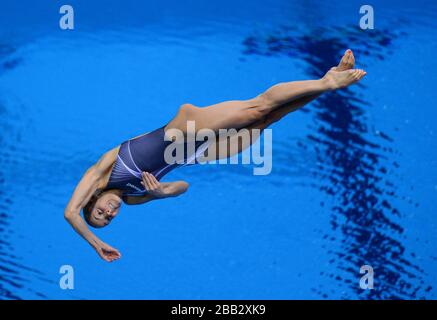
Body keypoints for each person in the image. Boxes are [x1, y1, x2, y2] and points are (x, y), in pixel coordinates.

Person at [64, 49, 364, 262]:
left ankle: (326, 82)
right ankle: (330, 82)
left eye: (100, 212)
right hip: (196, 152)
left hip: (182, 131)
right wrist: (161, 193)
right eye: (110, 220)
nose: (109, 212)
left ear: (93, 199)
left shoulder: (101, 173)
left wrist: (97, 244)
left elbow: (69, 214)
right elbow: (184, 187)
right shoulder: (134, 197)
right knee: (266, 120)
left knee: (257, 107)